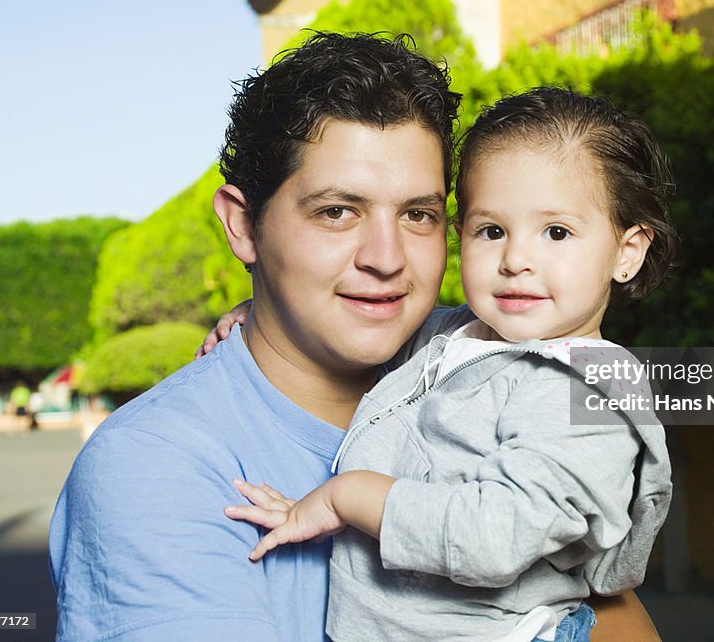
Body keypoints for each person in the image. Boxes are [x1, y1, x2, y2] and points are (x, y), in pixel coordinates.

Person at [49, 32, 662, 642]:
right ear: (244, 226)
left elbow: (604, 602)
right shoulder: (152, 468)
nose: (387, 259)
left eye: (417, 215)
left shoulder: (507, 372)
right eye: (337, 212)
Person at [222, 87, 676, 641]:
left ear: (627, 251)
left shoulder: (588, 396)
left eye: (556, 232)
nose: (516, 261)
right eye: (492, 230)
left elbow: (496, 536)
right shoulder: (455, 335)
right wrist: (260, 308)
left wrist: (347, 497)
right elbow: (360, 316)